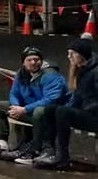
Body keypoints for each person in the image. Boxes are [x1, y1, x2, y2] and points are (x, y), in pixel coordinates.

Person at [0, 46, 67, 162]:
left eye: (36, 59)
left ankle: (34, 151)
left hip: (49, 114)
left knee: (38, 112)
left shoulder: (51, 75)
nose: (33, 62)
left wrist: (24, 109)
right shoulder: (22, 74)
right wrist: (15, 107)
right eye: (29, 60)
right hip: (28, 110)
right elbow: (14, 93)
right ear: (23, 63)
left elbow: (51, 99)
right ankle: (2, 145)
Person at [36, 40, 98, 169]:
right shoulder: (81, 71)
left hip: (94, 115)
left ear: (82, 55)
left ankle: (62, 156)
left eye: (72, 54)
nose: (69, 57)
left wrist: (82, 108)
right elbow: (77, 97)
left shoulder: (95, 71)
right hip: (86, 112)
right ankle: (49, 150)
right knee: (51, 109)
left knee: (63, 111)